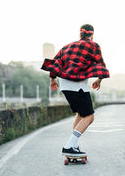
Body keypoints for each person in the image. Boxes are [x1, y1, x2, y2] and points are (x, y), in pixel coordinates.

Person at [41, 24, 109, 156]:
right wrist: (99, 79)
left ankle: (74, 145)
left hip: (64, 83)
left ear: (80, 34)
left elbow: (55, 62)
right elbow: (101, 64)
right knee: (89, 117)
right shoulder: (94, 45)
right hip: (77, 84)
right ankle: (69, 145)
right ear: (92, 35)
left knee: (81, 113)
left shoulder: (67, 46)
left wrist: (52, 80)